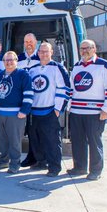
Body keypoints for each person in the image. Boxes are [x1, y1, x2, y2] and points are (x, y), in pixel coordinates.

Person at [19, 39, 70, 175]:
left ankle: (54, 167)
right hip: (34, 112)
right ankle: (41, 162)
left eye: (46, 51)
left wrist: (58, 109)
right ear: (38, 53)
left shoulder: (57, 68)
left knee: (52, 141)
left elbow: (64, 89)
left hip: (49, 111)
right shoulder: (33, 69)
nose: (43, 54)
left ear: (51, 52)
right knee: (35, 139)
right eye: (41, 51)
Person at [67, 39, 107, 180]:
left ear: (94, 49)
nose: (84, 51)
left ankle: (95, 170)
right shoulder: (77, 66)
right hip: (76, 112)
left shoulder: (104, 65)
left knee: (95, 142)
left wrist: (106, 109)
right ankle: (79, 167)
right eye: (82, 48)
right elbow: (71, 89)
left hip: (95, 113)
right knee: (77, 141)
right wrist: (69, 106)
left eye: (87, 48)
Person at [0, 51, 33, 173]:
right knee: (2, 139)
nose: (8, 62)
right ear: (3, 62)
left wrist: (24, 110)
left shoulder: (23, 75)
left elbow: (28, 94)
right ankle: (3, 161)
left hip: (15, 114)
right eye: (6, 60)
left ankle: (14, 163)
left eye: (11, 60)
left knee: (15, 140)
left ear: (16, 61)